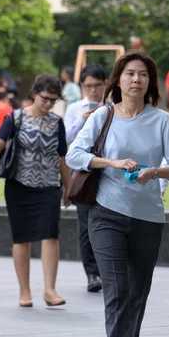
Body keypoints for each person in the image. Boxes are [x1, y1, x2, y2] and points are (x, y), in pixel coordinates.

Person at [66, 51, 169, 337]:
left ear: (150, 82)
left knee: (136, 293)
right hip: (107, 213)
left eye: (143, 74)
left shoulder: (161, 119)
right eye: (130, 73)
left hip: (148, 217)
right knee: (118, 289)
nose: (137, 79)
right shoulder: (102, 116)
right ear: (118, 80)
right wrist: (112, 162)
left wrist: (156, 173)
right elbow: (74, 155)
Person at [0, 74, 70, 309]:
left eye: (54, 100)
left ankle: (50, 290)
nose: (49, 104)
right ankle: (25, 292)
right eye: (45, 98)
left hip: (49, 186)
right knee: (22, 238)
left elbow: (62, 156)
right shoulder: (16, 118)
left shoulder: (56, 122)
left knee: (51, 235)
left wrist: (68, 187)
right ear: (34, 94)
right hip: (19, 185)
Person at [63, 63, 108, 293]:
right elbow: (66, 139)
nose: (92, 90)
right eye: (88, 86)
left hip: (109, 169)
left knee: (110, 220)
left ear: (105, 85)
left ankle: (108, 270)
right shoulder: (73, 109)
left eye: (97, 86)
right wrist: (83, 120)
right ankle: (92, 273)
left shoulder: (113, 107)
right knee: (85, 224)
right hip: (82, 170)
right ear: (82, 86)